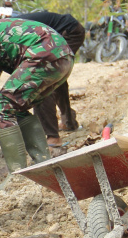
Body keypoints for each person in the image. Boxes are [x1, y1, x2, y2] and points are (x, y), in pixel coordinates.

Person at [0, 18, 74, 174]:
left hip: (43, 55)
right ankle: (44, 164)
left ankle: (17, 174)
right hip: (64, 58)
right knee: (15, 108)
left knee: (0, 109)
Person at [15, 11, 85, 155]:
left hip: (69, 32)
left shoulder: (7, 32)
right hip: (67, 31)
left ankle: (52, 136)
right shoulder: (4, 29)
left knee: (43, 81)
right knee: (57, 77)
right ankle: (69, 121)